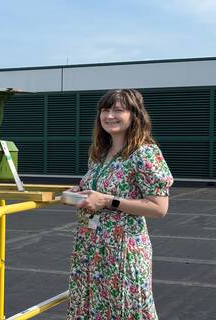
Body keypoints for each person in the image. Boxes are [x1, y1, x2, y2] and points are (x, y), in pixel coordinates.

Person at [66, 89, 173, 319]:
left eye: (118, 110)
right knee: (91, 308)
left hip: (122, 251)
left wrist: (106, 200)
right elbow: (99, 189)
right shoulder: (99, 153)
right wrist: (81, 193)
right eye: (105, 110)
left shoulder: (143, 153)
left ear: (134, 115)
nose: (110, 116)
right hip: (90, 248)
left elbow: (159, 208)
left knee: (125, 309)